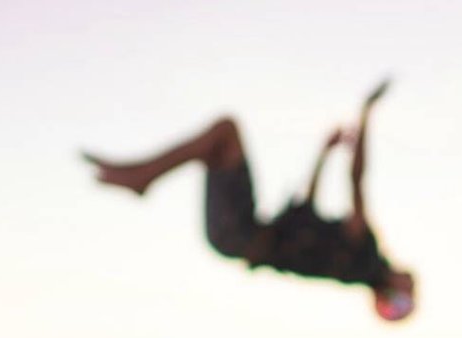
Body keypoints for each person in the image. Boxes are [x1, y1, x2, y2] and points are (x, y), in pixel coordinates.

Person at [82, 80, 416, 321]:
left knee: (226, 132)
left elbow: (356, 179)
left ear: (392, 290)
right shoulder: (348, 262)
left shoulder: (362, 257)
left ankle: (143, 177)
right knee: (219, 143)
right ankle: (143, 177)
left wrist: (366, 113)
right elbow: (306, 210)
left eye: (408, 297)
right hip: (236, 236)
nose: (414, 286)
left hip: (241, 232)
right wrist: (324, 154)